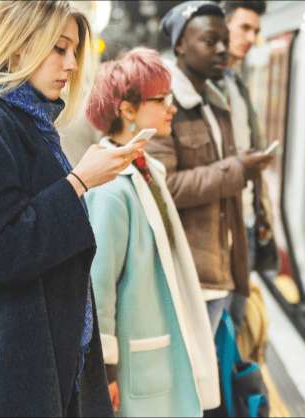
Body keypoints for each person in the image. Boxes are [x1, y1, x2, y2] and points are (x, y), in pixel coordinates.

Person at [0, 2, 145, 416]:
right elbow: (2, 250)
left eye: (74, 52)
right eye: (58, 48)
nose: (70, 65)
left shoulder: (30, 124)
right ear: (16, 48)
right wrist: (79, 181)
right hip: (5, 378)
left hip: (42, 364)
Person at [84, 48, 220, 417]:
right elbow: (100, 286)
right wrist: (106, 368)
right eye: (161, 99)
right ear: (127, 110)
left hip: (156, 351)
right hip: (136, 362)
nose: (171, 108)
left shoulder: (148, 169)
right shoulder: (111, 189)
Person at [149, 0, 272, 333]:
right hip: (190, 277)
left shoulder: (215, 104)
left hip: (222, 268)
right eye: (209, 41)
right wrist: (237, 170)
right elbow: (164, 187)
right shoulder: (163, 104)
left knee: (220, 372)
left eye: (223, 40)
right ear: (179, 45)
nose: (222, 49)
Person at [213, 0, 273, 328]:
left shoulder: (237, 85)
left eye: (256, 31)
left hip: (245, 218)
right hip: (223, 226)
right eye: (244, 28)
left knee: (234, 322)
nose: (251, 37)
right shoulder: (209, 85)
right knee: (221, 325)